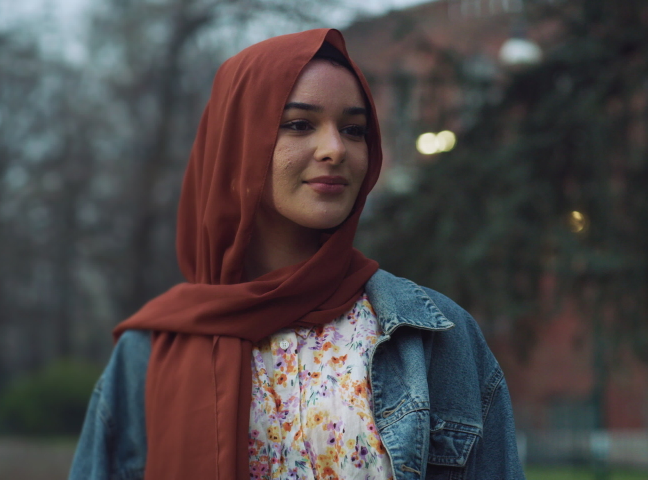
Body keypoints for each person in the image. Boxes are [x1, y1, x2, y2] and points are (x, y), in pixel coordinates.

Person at [69, 28, 524, 480]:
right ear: (238, 146)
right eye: (300, 124)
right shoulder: (148, 355)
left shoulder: (437, 338)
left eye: (354, 129)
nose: (335, 149)